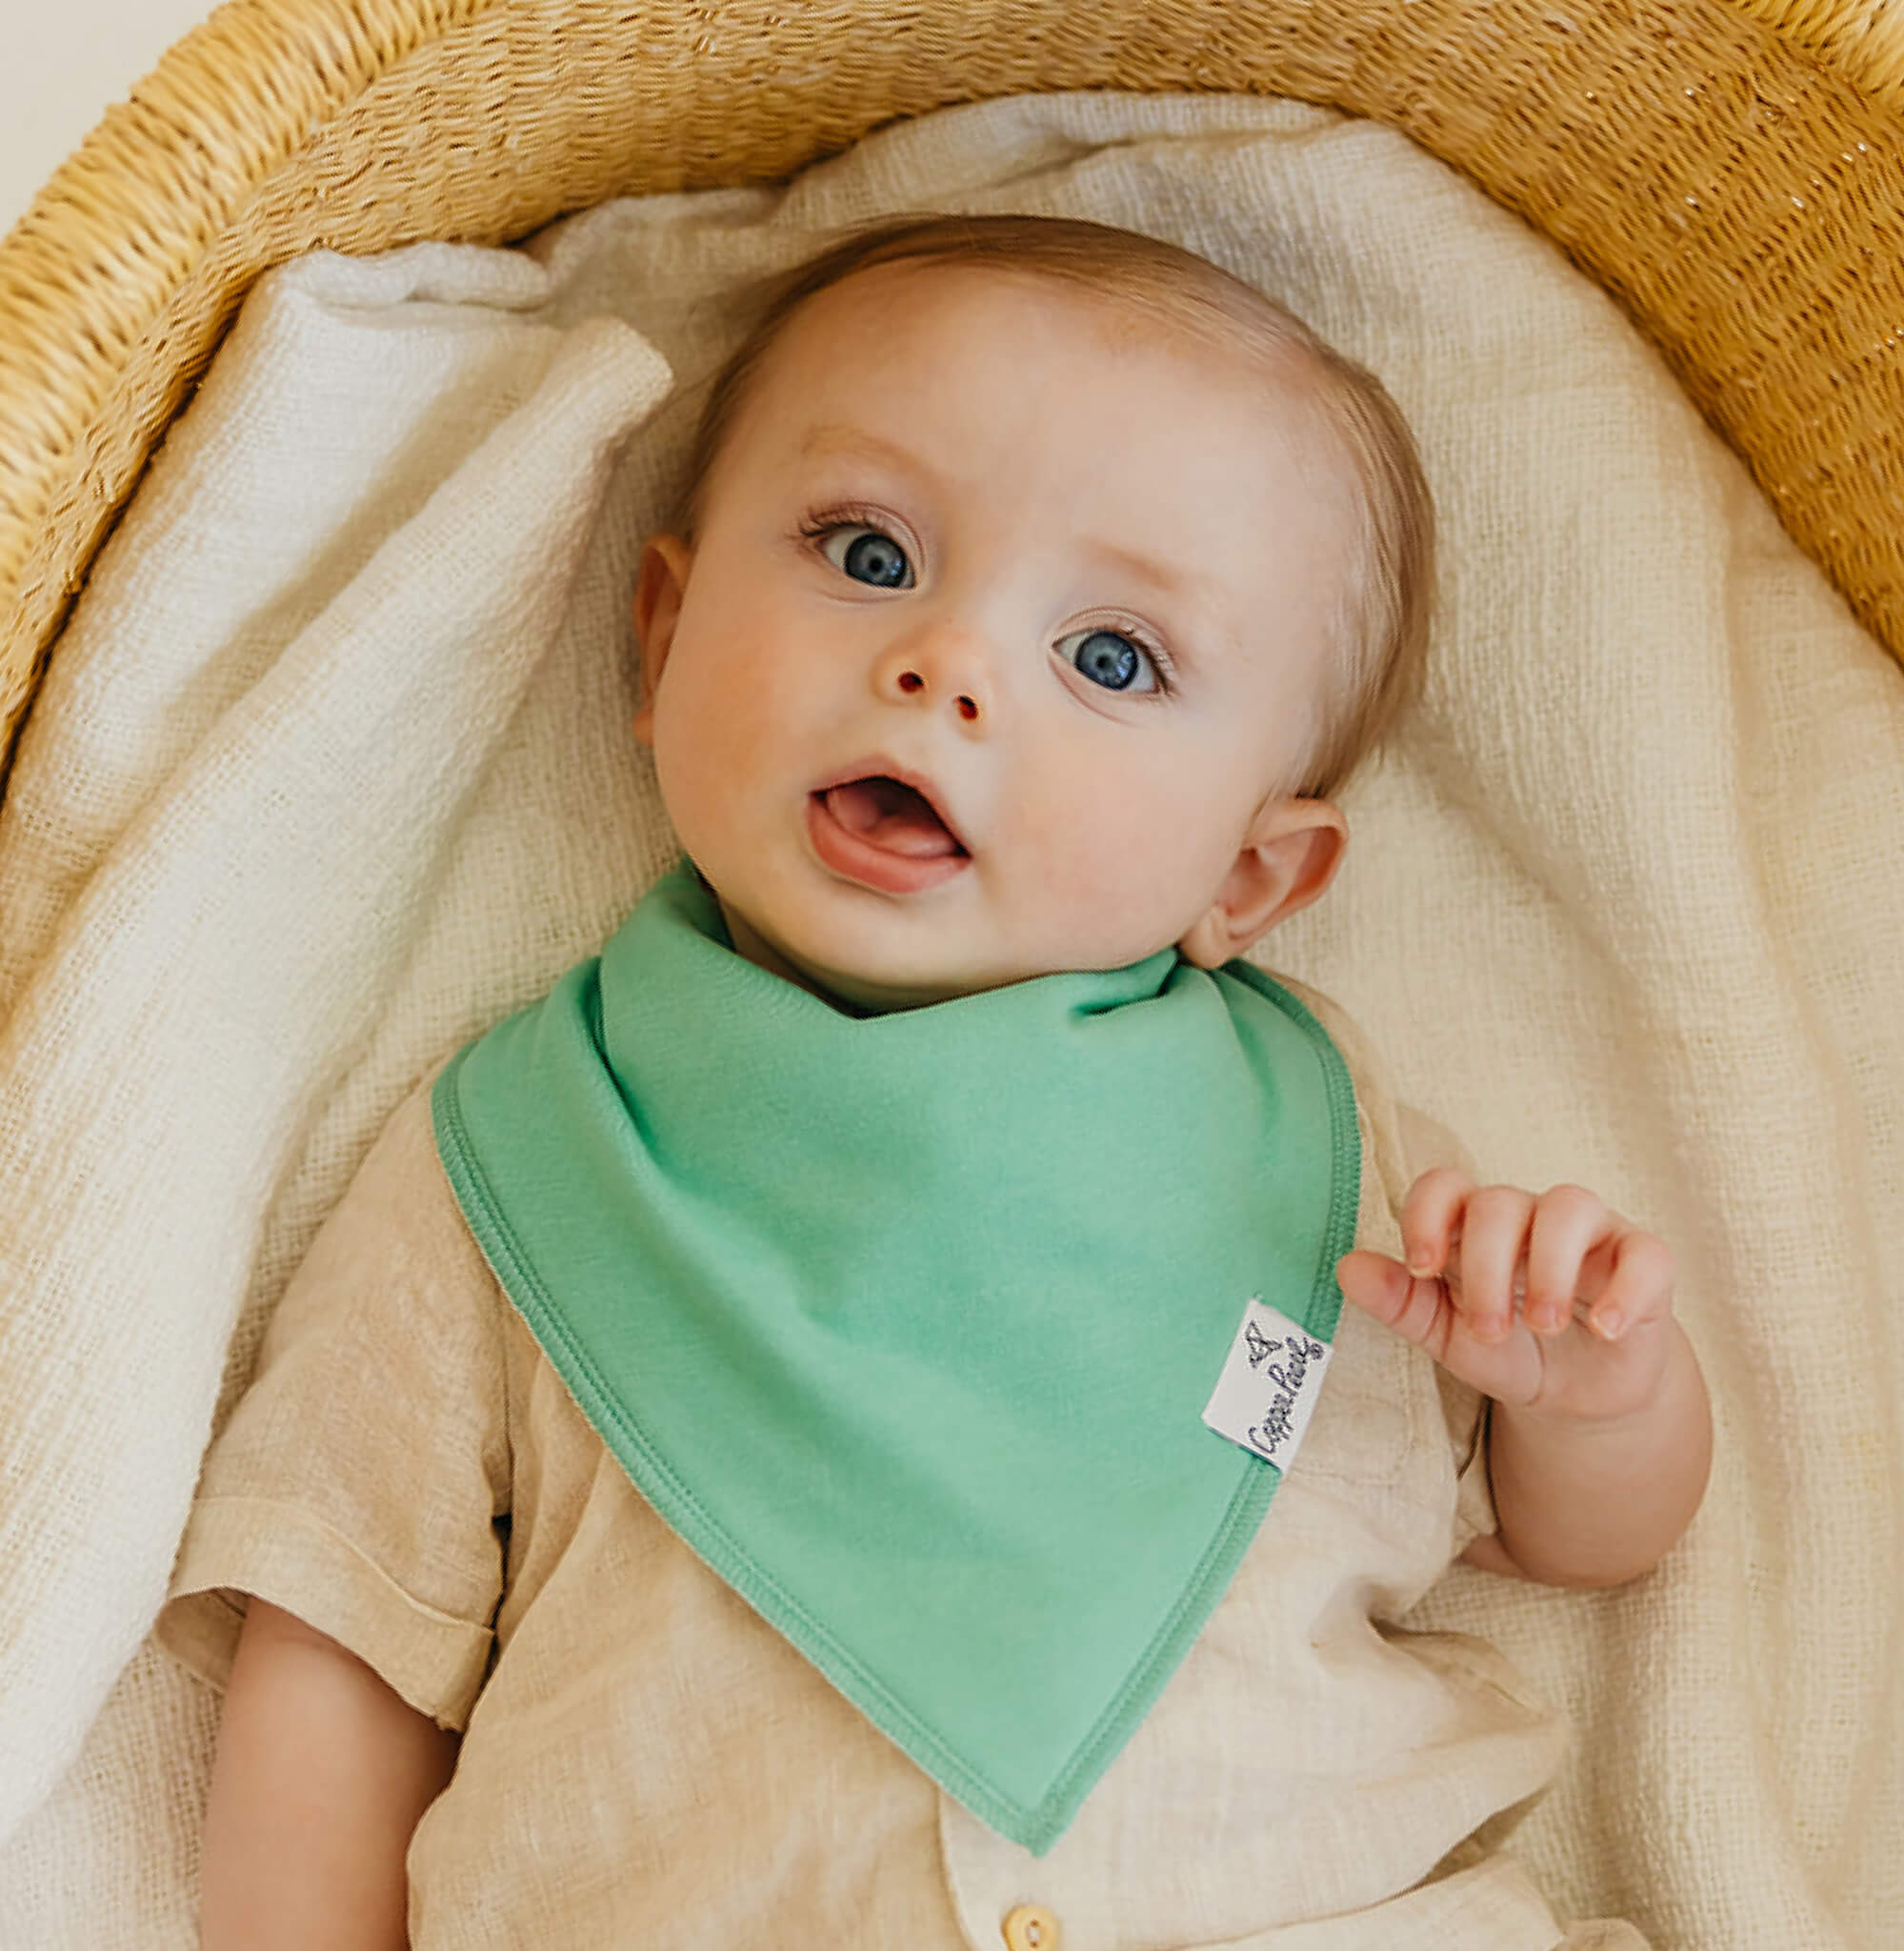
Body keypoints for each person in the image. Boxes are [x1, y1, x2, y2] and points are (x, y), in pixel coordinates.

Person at [160, 213, 1712, 1950]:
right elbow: (345, 1639)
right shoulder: (517, 1155)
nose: (948, 663)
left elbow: (1572, 1540)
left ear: (1248, 883)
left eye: (1111, 659)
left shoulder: (1313, 1145)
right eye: (870, 550)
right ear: (660, 640)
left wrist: (1593, 1401)